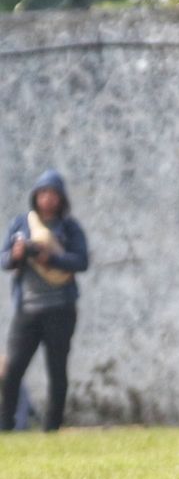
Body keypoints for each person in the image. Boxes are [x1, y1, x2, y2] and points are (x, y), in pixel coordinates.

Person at [1, 170, 90, 432]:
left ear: (61, 198)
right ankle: (6, 425)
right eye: (42, 193)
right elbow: (4, 259)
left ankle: (52, 427)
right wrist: (17, 254)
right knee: (13, 369)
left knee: (57, 370)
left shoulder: (69, 228)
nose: (47, 199)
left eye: (52, 194)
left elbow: (81, 261)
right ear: (35, 196)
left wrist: (50, 258)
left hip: (60, 310)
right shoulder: (21, 224)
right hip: (27, 310)